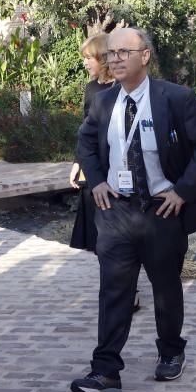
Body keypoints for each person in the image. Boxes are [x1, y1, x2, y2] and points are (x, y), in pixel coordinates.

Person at [70, 27, 196, 392]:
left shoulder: (177, 98)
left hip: (162, 212)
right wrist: (97, 180)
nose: (116, 58)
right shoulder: (103, 101)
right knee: (114, 291)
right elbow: (86, 143)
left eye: (124, 51)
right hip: (116, 213)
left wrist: (183, 191)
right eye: (111, 53)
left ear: (145, 55)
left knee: (166, 287)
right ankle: (105, 370)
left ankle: (171, 350)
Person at [69, 32, 115, 251]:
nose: (85, 63)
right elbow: (85, 129)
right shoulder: (91, 88)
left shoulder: (121, 87)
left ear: (103, 57)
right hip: (92, 162)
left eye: (89, 57)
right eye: (84, 58)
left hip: (114, 163)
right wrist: (78, 163)